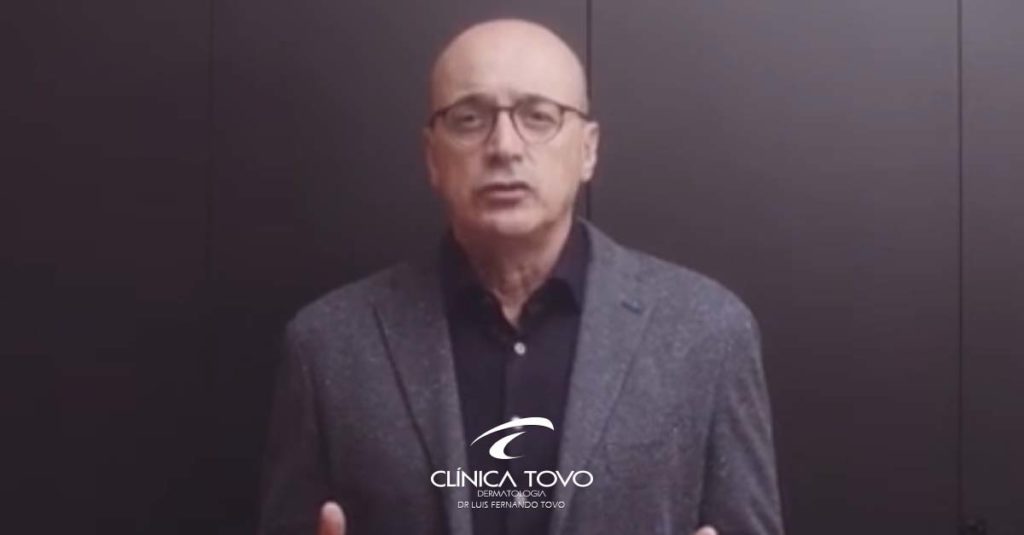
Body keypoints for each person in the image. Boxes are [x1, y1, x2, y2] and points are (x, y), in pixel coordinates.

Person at [258, 18, 783, 535]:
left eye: (538, 116)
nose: (505, 146)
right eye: (469, 118)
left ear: (588, 149)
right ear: (432, 156)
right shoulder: (329, 344)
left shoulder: (707, 333)